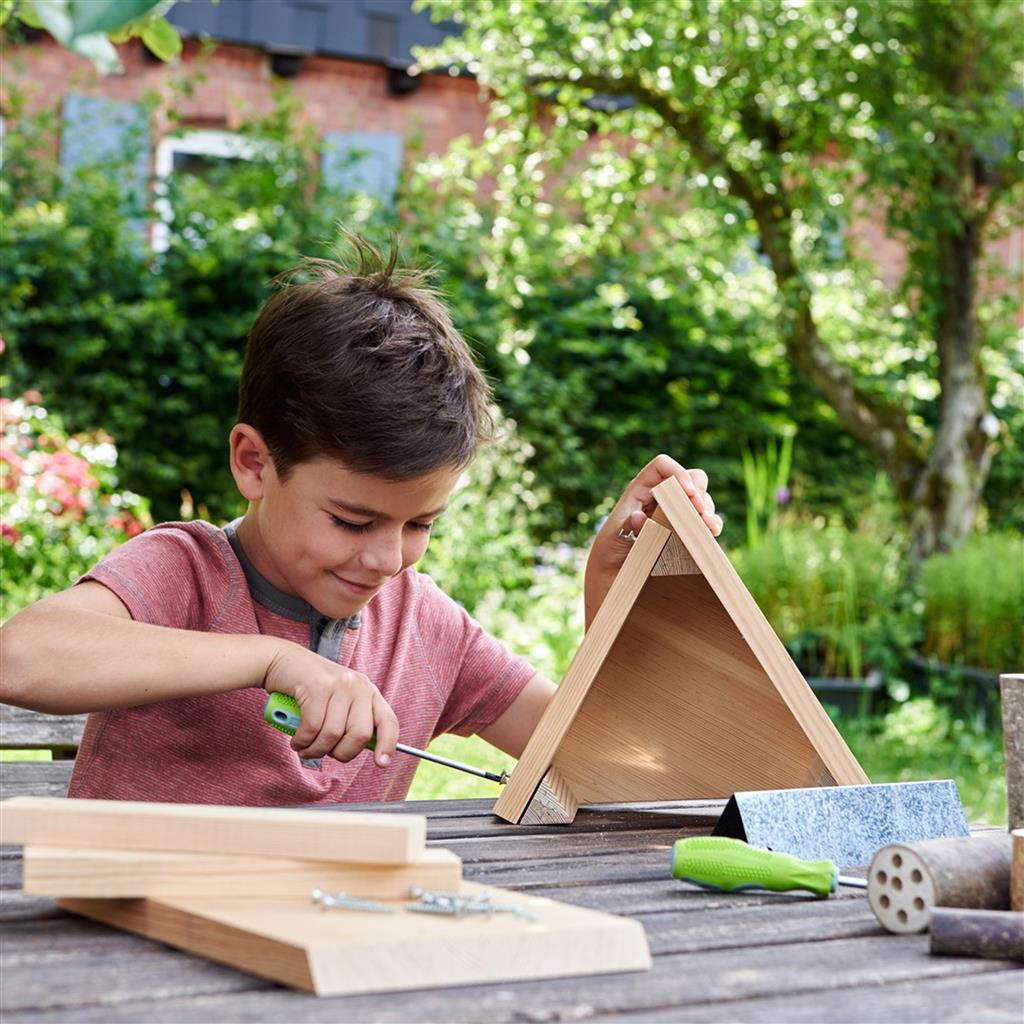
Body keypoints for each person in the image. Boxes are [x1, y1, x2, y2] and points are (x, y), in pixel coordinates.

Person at [0, 236, 722, 806]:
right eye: (352, 521)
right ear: (254, 463)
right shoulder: (183, 574)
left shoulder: (425, 627)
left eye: (419, 525)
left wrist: (616, 589)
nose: (386, 560)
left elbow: (609, 766)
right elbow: (21, 656)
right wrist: (275, 661)